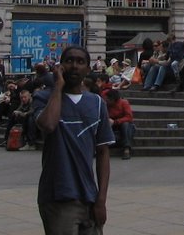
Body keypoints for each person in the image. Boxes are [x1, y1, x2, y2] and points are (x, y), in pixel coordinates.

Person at [34, 45, 114, 235]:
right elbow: (48, 124)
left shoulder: (96, 103)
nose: (74, 66)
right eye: (69, 61)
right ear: (60, 67)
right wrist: (58, 88)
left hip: (89, 196)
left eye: (80, 62)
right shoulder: (44, 98)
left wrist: (101, 199)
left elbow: (103, 152)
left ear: (88, 69)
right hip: (58, 195)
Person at [104, 89, 136, 160]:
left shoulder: (124, 103)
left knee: (126, 124)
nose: (107, 101)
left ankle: (126, 149)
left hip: (123, 126)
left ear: (113, 99)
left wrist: (116, 121)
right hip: (112, 128)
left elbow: (129, 117)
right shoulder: (106, 105)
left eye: (108, 99)